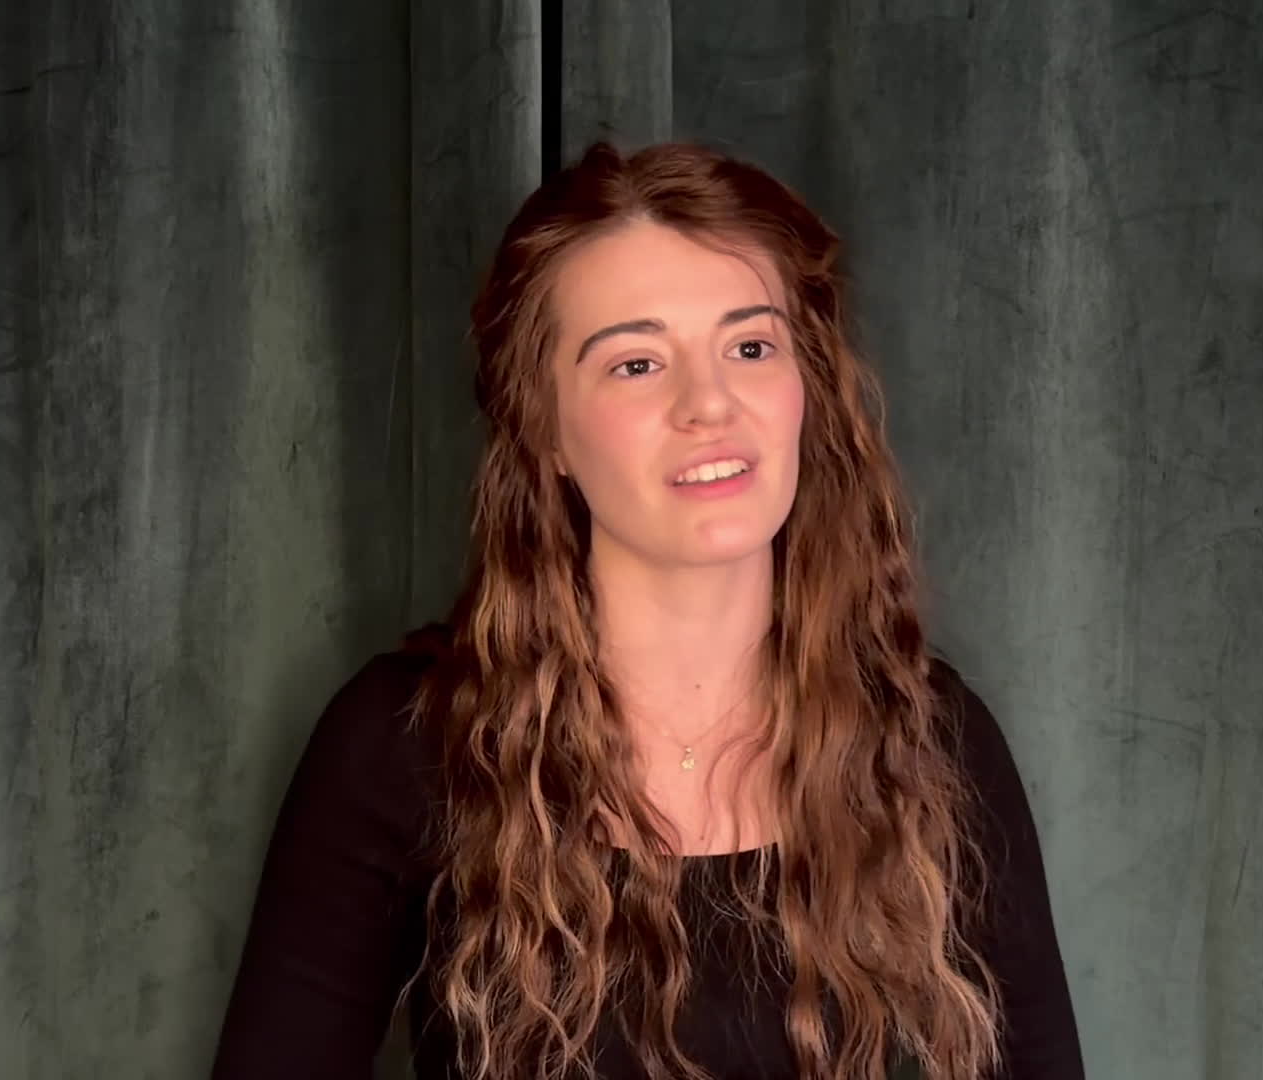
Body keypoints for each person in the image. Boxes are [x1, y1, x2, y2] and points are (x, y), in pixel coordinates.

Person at [211, 141, 1085, 1080]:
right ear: (544, 427)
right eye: (636, 364)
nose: (709, 403)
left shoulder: (933, 742)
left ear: (808, 388)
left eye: (751, 347)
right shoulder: (408, 744)